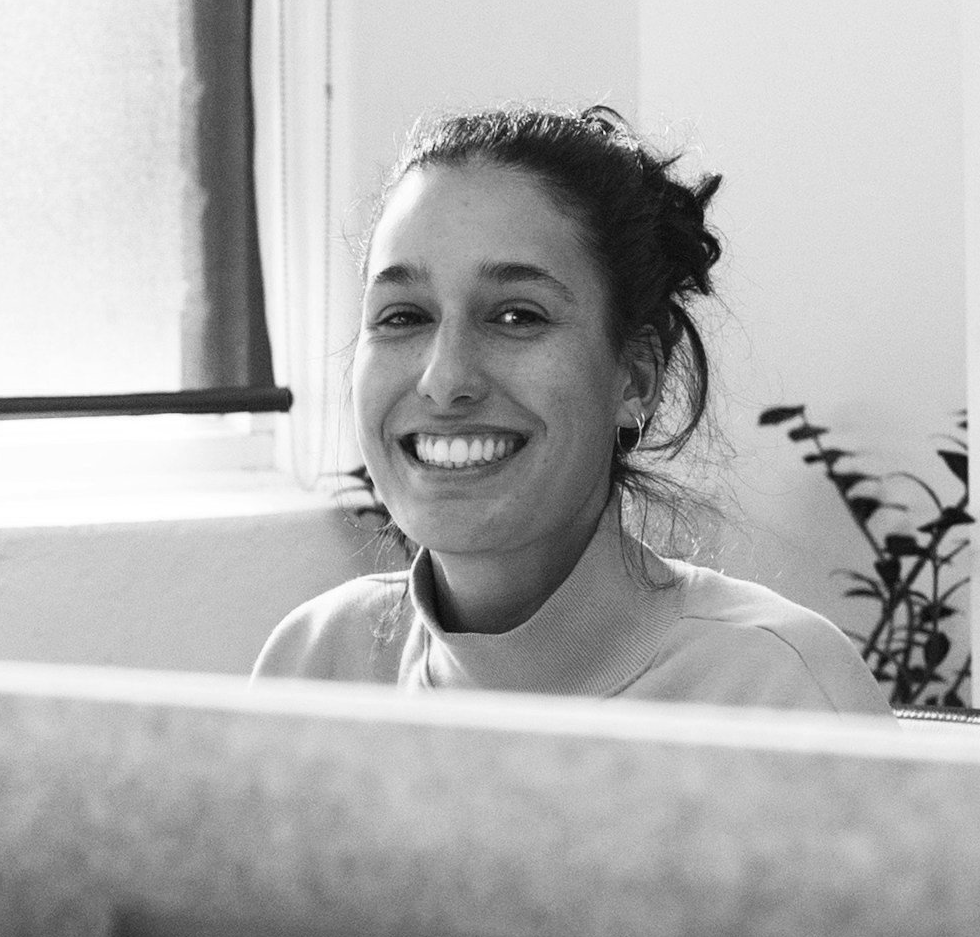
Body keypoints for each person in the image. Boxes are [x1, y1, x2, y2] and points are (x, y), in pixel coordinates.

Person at [253, 104, 887, 713]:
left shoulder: (780, 691)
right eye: (404, 316)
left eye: (516, 315)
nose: (444, 381)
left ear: (637, 375)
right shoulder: (314, 665)